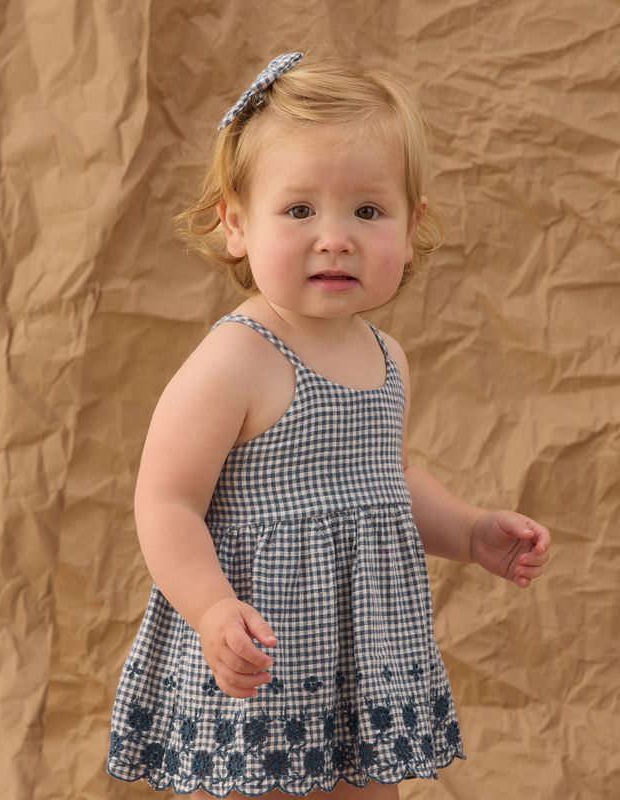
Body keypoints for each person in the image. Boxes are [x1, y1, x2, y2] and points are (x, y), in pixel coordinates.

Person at [106, 52, 551, 799]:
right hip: (258, 651)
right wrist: (213, 609)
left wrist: (470, 532)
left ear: (413, 231)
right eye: (300, 209)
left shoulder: (387, 359)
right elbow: (166, 502)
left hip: (359, 659)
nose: (335, 236)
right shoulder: (234, 360)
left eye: (368, 211)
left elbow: (388, 479)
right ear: (238, 224)